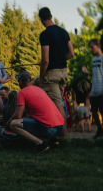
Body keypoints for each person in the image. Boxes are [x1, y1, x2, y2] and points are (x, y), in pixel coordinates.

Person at [38, 7, 74, 136]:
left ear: (41, 19)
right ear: (51, 16)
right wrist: (59, 58)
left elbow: (45, 60)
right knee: (60, 102)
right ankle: (60, 134)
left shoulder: (45, 34)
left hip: (52, 74)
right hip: (64, 73)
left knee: (57, 105)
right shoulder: (64, 32)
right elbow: (71, 53)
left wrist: (41, 77)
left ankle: (64, 136)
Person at [9, 71, 64, 153]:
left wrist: (8, 122)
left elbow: (18, 115)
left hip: (50, 129)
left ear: (20, 82)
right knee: (37, 120)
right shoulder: (39, 90)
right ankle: (53, 140)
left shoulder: (22, 92)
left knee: (13, 124)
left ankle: (41, 144)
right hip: (60, 127)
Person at [82, 38, 103, 138]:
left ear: (98, 46)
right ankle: (100, 129)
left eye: (92, 47)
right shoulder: (93, 60)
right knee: (94, 111)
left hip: (102, 90)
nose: (90, 49)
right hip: (94, 90)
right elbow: (95, 74)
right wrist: (87, 72)